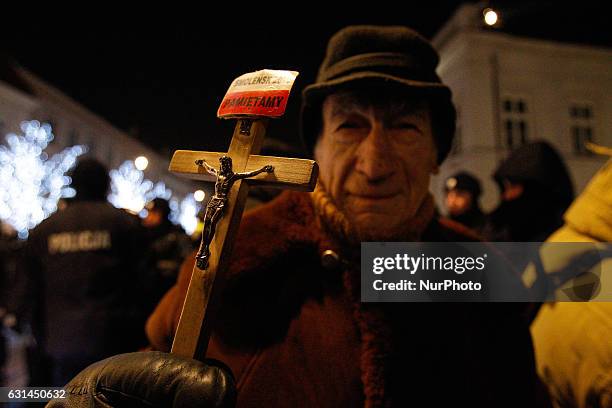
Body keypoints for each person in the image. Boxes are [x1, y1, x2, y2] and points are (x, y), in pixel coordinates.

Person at [57, 26, 546, 407]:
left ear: (438, 153)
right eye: (349, 126)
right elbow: (158, 371)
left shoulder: (479, 274)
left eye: (404, 127)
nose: (374, 165)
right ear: (315, 148)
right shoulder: (238, 259)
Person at [18, 158, 148, 386]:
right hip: (110, 339)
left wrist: (35, 331)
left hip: (60, 339)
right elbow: (140, 282)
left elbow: (31, 287)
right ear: (105, 184)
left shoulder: (46, 229)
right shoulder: (122, 225)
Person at [483, 141, 574, 242]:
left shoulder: (568, 237)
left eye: (513, 186)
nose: (507, 196)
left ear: (537, 190)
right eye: (505, 188)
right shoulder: (498, 226)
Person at [138, 197, 192, 323]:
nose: (148, 217)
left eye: (152, 213)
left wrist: (161, 268)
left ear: (160, 214)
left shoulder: (176, 236)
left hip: (163, 291)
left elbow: (185, 263)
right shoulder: (143, 234)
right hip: (144, 293)